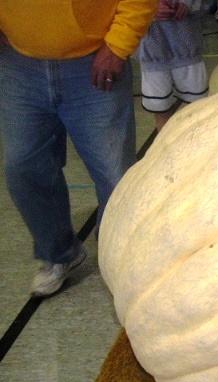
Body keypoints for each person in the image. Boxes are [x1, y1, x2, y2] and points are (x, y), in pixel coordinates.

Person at [0, 0, 157, 297]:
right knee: (23, 167)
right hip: (19, 65)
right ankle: (59, 254)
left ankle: (118, 256)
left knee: (114, 175)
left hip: (95, 60)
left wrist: (118, 45)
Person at [138, 0, 209, 132]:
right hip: (153, 53)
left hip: (188, 47)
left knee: (198, 109)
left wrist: (186, 4)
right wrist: (149, 9)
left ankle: (198, 143)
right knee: (161, 111)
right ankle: (166, 144)